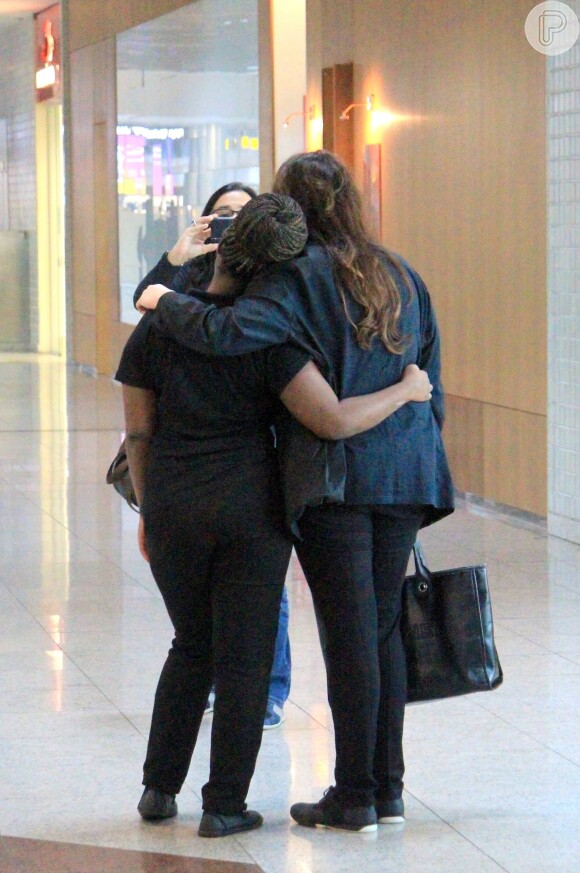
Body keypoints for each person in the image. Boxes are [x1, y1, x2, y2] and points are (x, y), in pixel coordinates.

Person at [136, 151, 455, 834]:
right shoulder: (402, 273)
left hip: (336, 477)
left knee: (349, 635)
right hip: (405, 471)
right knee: (382, 627)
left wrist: (160, 293)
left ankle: (356, 793)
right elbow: (431, 382)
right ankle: (389, 790)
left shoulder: (296, 277)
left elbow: (227, 330)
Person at [134, 182, 288, 729]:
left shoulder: (268, 293)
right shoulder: (192, 273)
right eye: (221, 215)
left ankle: (267, 687)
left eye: (241, 217)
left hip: (239, 477)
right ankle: (224, 795)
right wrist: (175, 259)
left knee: (257, 612)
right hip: (212, 480)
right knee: (203, 624)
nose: (229, 226)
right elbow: (146, 307)